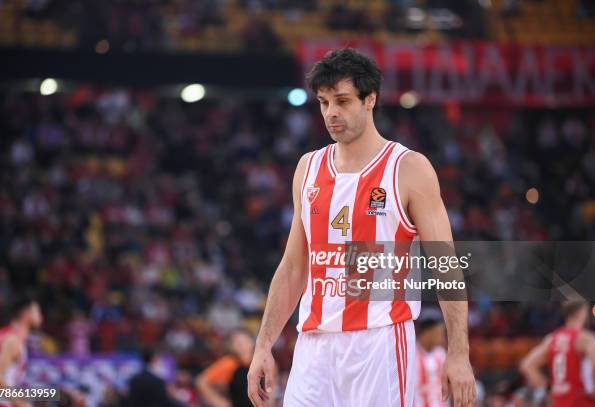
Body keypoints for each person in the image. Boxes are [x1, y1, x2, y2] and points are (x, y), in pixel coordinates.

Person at [247, 48, 476, 407]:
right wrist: (262, 346)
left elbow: (445, 264)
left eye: (342, 100)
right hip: (314, 345)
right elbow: (293, 267)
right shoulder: (307, 168)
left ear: (371, 99)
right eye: (323, 102)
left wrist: (459, 352)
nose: (331, 113)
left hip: (379, 343)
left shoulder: (409, 168)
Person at [520, 300, 595, 406]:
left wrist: (549, 388)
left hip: (559, 401)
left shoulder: (551, 339)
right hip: (581, 400)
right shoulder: (585, 338)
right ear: (581, 312)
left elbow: (527, 365)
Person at [0, 296, 43, 407]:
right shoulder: (13, 340)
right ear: (26, 314)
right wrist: (18, 402)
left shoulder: (4, 333)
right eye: (37, 311)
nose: (41, 316)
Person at [197, 329, 266, 407]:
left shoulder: (262, 361)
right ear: (231, 346)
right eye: (236, 342)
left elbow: (271, 385)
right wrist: (218, 401)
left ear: (252, 341)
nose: (241, 344)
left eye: (243, 340)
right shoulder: (229, 363)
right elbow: (201, 381)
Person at [415, 318, 448, 407]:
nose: (442, 338)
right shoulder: (412, 355)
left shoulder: (442, 354)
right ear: (427, 333)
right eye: (439, 333)